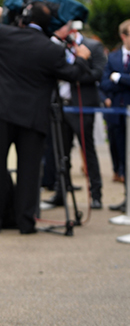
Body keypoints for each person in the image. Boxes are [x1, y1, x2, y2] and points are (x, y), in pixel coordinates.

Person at [0, 3, 93, 234]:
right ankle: (26, 223)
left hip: (1, 113)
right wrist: (81, 58)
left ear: (25, 18)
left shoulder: (5, 35)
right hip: (33, 118)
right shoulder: (51, 49)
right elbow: (74, 74)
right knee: (29, 172)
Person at [47, 21, 106, 209]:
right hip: (61, 106)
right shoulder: (57, 46)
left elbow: (98, 73)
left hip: (81, 106)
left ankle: (96, 195)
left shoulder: (93, 46)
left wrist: (74, 73)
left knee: (88, 151)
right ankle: (60, 192)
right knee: (61, 152)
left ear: (71, 29)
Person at [101, 19, 130, 212]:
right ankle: (127, 198)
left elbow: (113, 81)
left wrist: (119, 78)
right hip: (116, 117)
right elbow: (104, 84)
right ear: (123, 36)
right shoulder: (112, 58)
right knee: (122, 158)